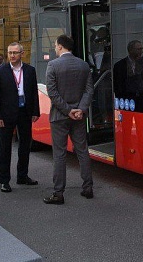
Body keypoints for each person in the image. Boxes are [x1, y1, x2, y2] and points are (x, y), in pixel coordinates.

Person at [44, 35, 94, 204]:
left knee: (59, 154)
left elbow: (53, 93)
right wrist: (80, 109)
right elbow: (89, 90)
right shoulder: (83, 65)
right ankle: (88, 188)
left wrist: (67, 110)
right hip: (79, 116)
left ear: (59, 47)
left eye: (55, 45)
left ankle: (58, 193)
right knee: (82, 151)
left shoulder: (53, 65)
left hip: (59, 116)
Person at [0, 42, 40, 193]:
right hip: (6, 114)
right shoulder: (0, 72)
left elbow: (33, 92)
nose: (12, 56)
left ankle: (22, 175)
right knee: (5, 147)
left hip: (24, 112)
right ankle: (4, 180)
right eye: (10, 53)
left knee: (25, 145)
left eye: (15, 53)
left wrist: (35, 111)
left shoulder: (30, 70)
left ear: (22, 54)